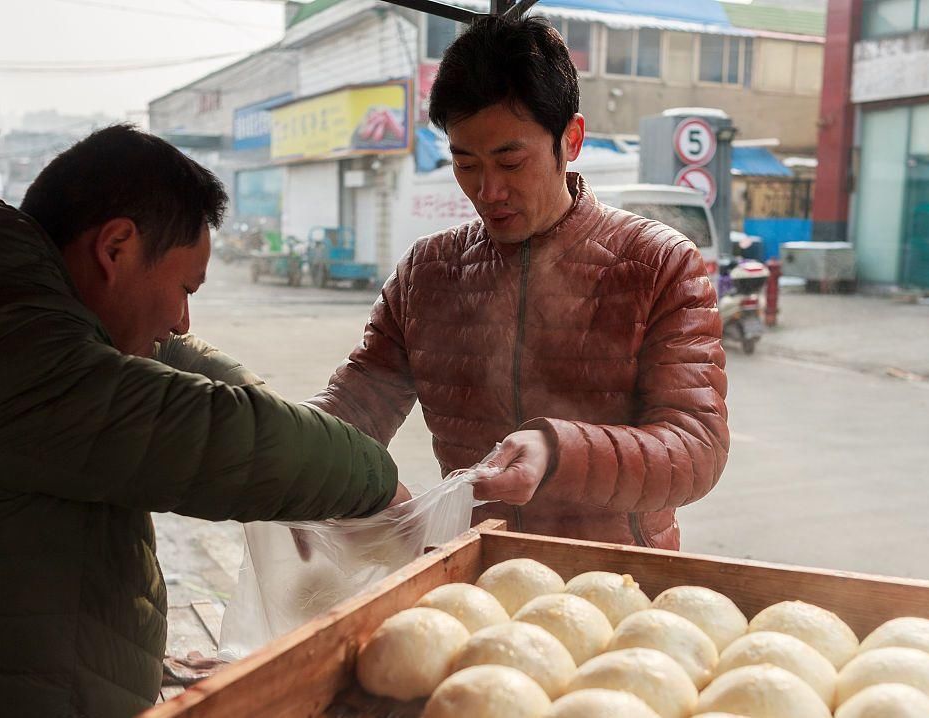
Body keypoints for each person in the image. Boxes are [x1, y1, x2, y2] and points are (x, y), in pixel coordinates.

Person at [0, 125, 402, 717]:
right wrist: (377, 479)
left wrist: (272, 413)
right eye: (185, 288)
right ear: (115, 249)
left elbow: (173, 363)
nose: (184, 319)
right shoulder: (5, 356)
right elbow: (214, 437)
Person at [311, 16, 729, 550]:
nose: (488, 190)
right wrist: (303, 463)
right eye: (466, 163)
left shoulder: (657, 265)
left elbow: (696, 450)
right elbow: (355, 406)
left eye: (511, 161)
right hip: (474, 567)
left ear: (570, 139)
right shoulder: (428, 273)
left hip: (621, 577)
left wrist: (558, 450)